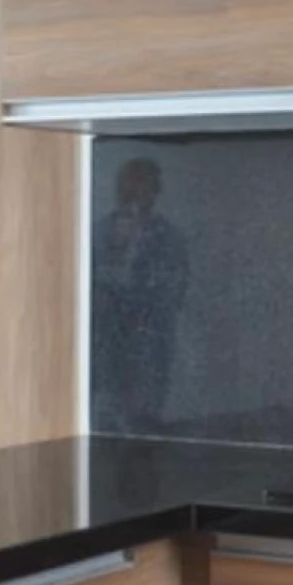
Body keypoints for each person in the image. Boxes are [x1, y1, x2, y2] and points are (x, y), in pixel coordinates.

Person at [92, 158, 189, 434]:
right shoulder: (97, 233)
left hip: (148, 346)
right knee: (106, 421)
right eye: (127, 184)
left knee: (144, 421)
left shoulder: (168, 237)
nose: (132, 192)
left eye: (141, 184)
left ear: (154, 191)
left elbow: (176, 290)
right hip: (104, 346)